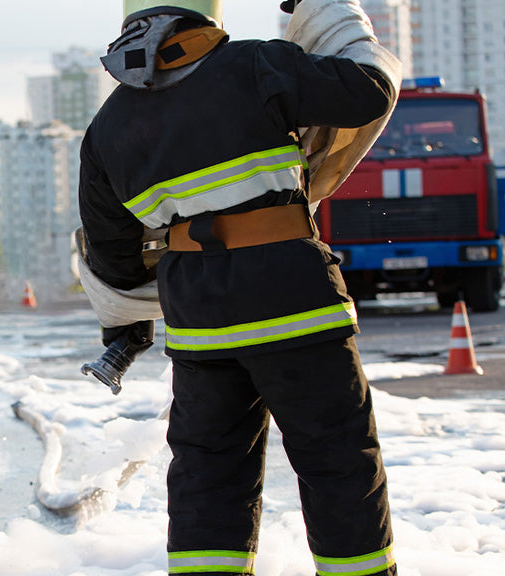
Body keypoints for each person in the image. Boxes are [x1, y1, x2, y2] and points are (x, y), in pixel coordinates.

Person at [76, 1, 401, 574]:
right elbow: (366, 91)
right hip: (294, 305)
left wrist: (126, 328)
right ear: (200, 32)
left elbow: (113, 254)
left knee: (208, 474)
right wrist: (328, 9)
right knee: (336, 462)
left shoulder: (108, 127)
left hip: (200, 321)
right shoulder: (253, 65)